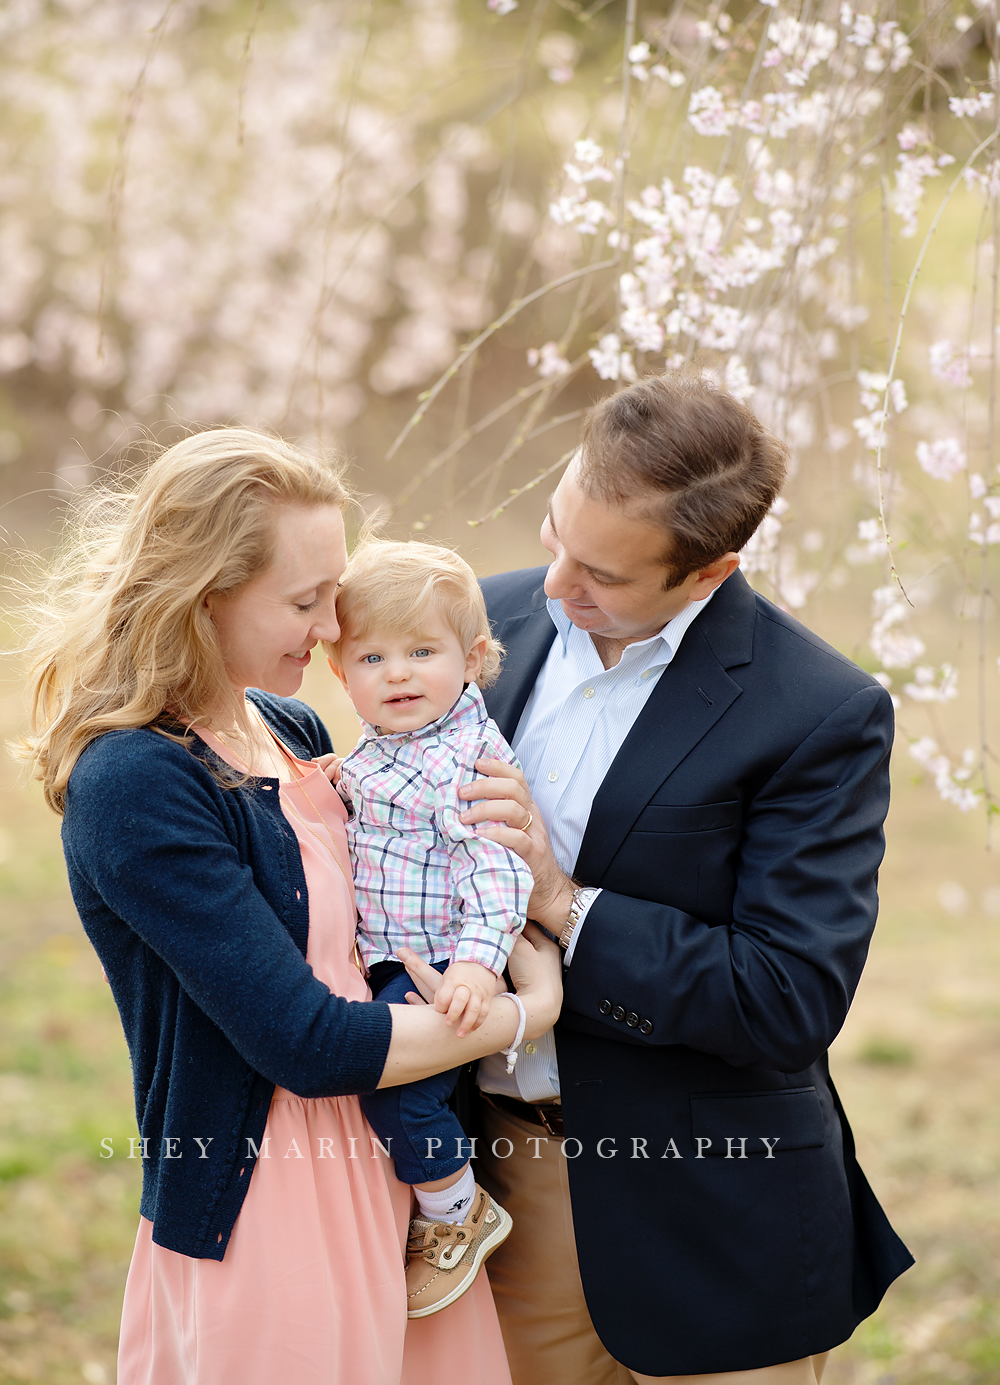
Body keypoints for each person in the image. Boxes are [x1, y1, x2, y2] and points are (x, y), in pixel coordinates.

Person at [20, 429, 561, 1385]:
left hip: (408, 1171)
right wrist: (526, 1013)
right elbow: (306, 1044)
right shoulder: (136, 781)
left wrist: (507, 861)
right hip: (267, 1201)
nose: (330, 631)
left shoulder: (294, 728)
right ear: (205, 592)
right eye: (307, 602)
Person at [453, 372, 914, 1385]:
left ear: (708, 572)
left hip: (720, 1221)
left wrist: (561, 902)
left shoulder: (819, 713)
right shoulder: (474, 636)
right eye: (554, 532)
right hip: (504, 1189)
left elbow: (788, 997)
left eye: (603, 576)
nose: (556, 585)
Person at [327, 539, 533, 1317]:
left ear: (474, 657)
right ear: (341, 673)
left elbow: (494, 867)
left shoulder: (464, 760)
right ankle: (438, 1194)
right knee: (412, 1098)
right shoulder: (392, 746)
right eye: (372, 657)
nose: (398, 673)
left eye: (422, 651)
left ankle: (456, 1213)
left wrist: (480, 968)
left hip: (443, 962)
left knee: (397, 1096)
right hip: (395, 956)